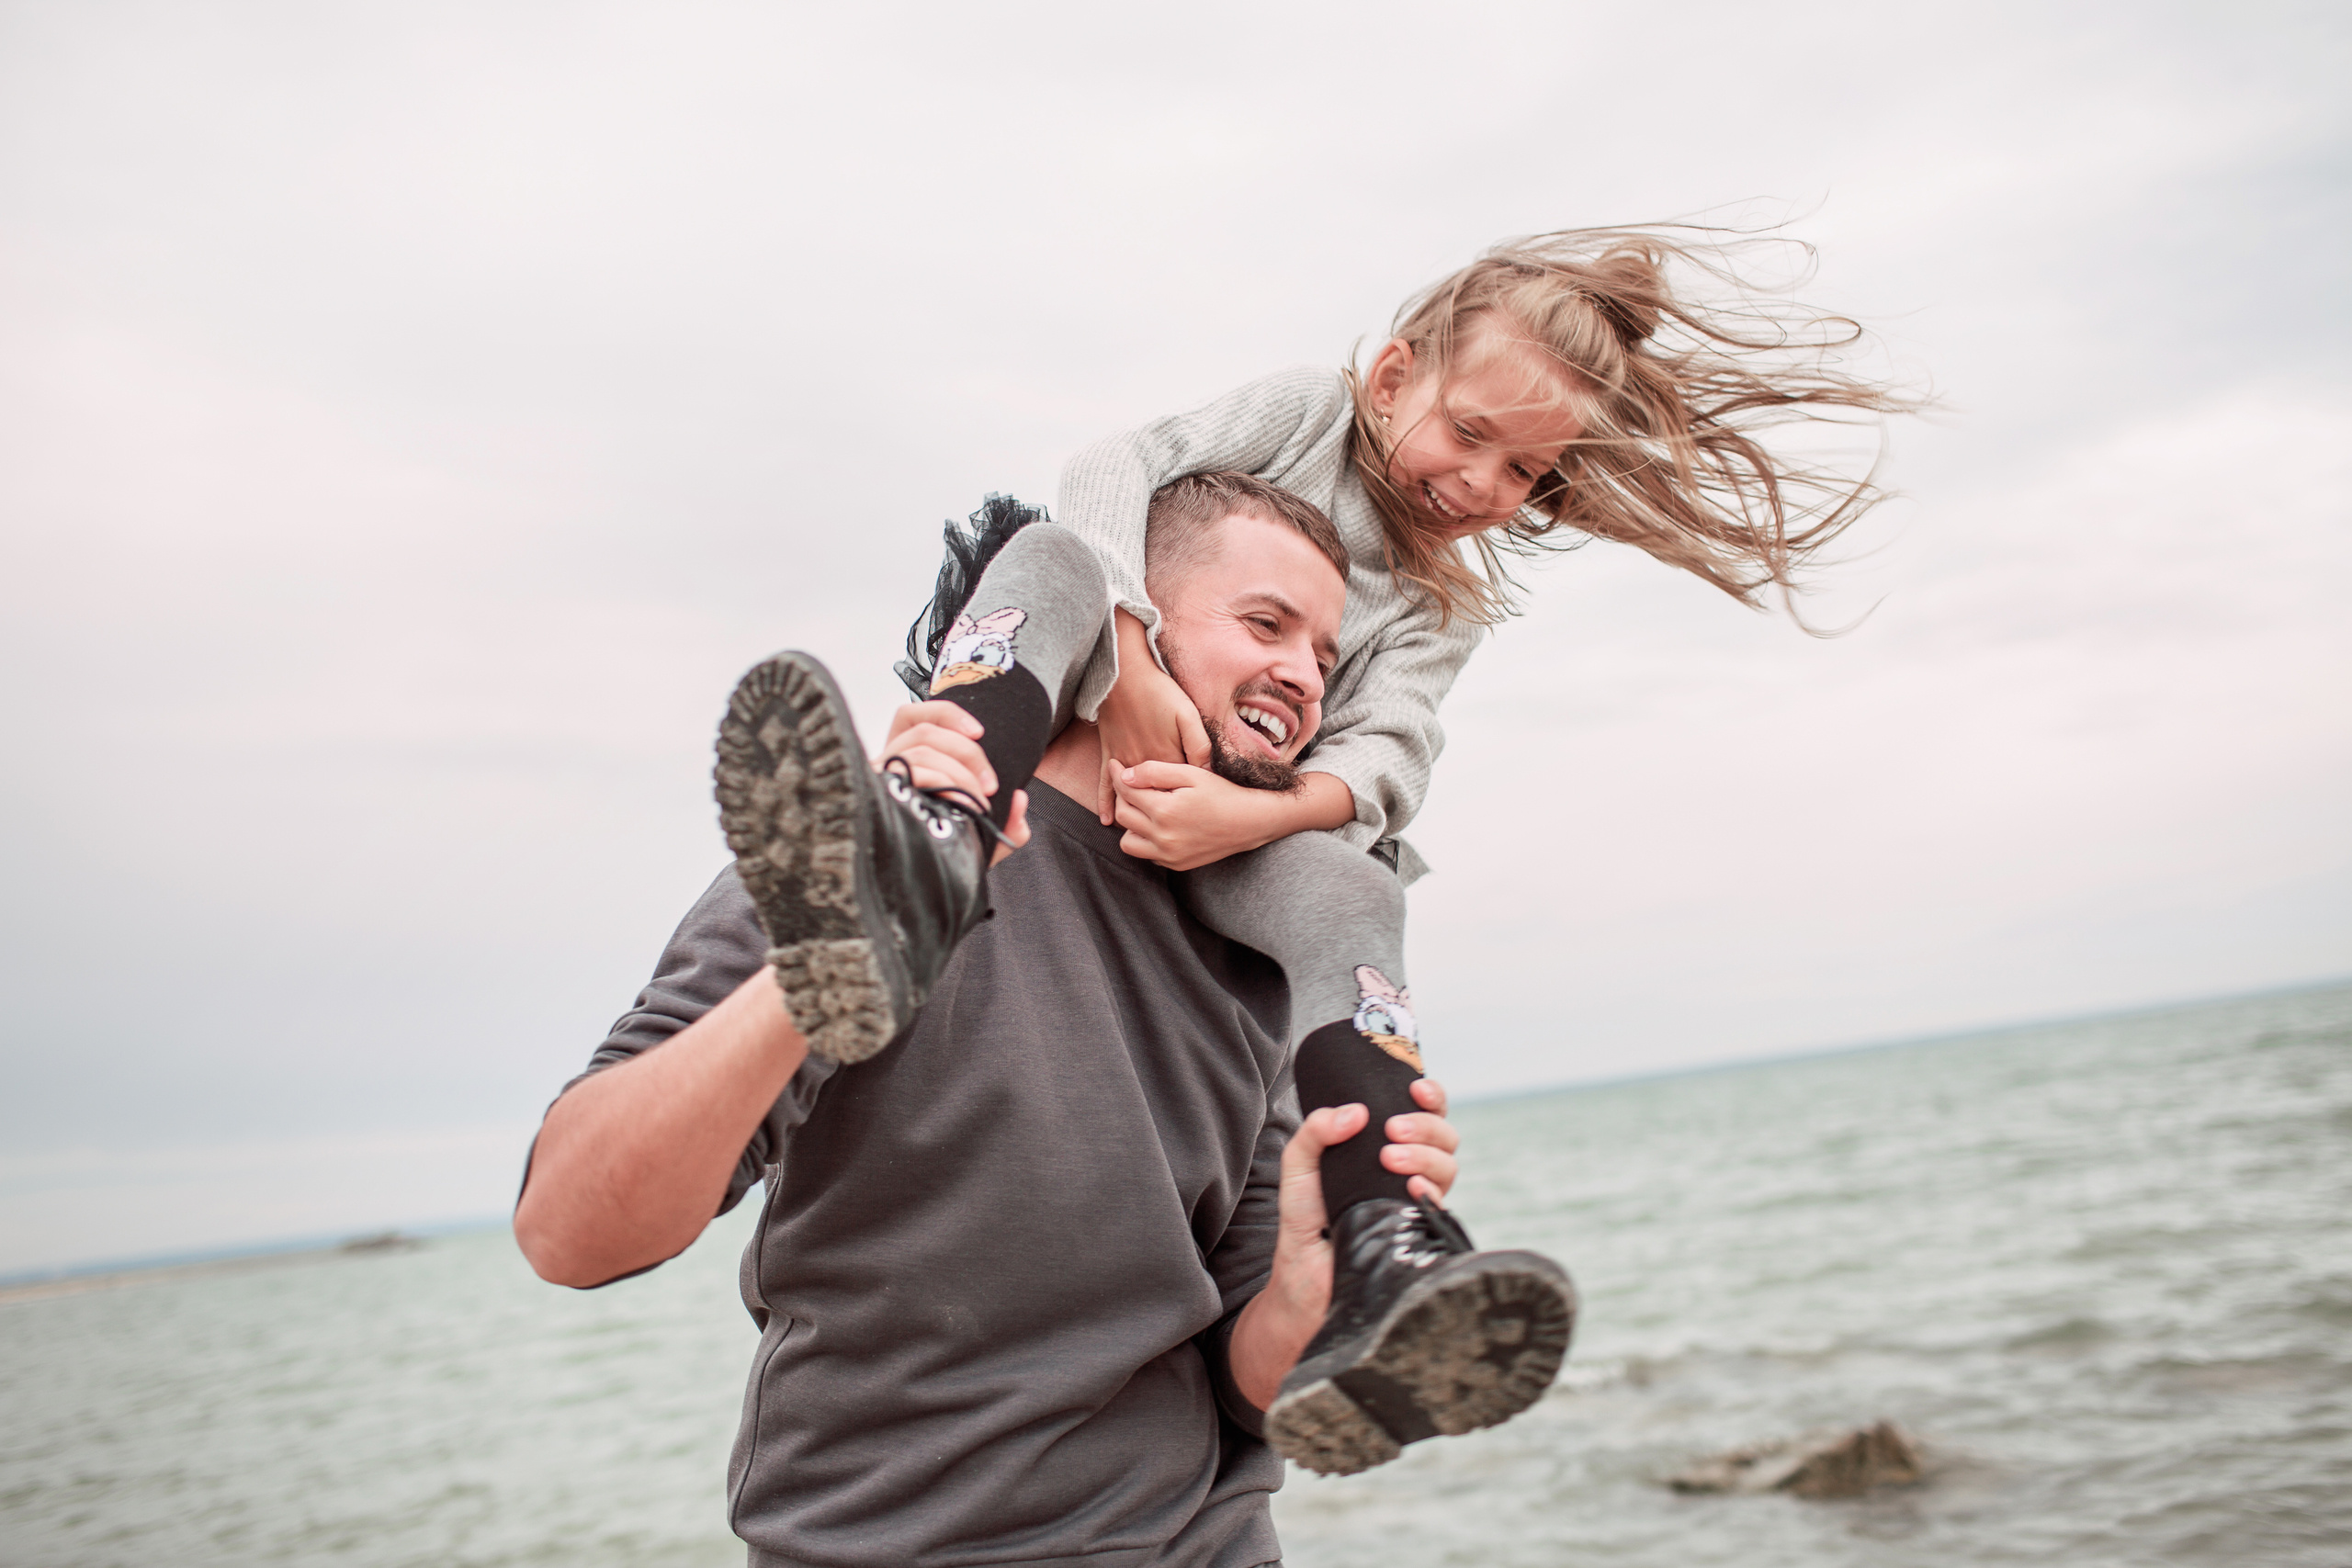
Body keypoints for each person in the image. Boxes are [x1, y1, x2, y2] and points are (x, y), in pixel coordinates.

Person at [720, 228, 1911, 1470]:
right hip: (1089, 707)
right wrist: (1127, 640)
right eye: (1468, 434)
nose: (1481, 484)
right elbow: (1111, 467)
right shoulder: (1299, 415)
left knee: (1355, 880)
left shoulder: (1443, 602)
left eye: (1527, 473)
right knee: (1050, 556)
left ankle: (1383, 1245)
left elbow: (1387, 762)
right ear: (1392, 377)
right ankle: (924, 833)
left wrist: (1258, 816)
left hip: (1248, 819)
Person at [516, 475, 1573, 1566]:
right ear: (1131, 631)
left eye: (1325, 656)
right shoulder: (850, 859)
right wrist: (816, 977)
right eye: (1265, 625)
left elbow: (1251, 1390)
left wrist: (1304, 1294)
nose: (1304, 677)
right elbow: (570, 1234)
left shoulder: (1262, 959)